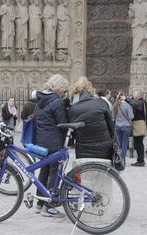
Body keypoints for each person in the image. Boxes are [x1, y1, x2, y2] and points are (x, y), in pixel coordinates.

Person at [34, 74, 68, 218]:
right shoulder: (57, 102)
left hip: (41, 140)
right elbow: (62, 123)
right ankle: (49, 205)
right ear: (59, 88)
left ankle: (39, 203)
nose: (64, 93)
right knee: (55, 172)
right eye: (64, 90)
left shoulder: (39, 99)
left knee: (44, 171)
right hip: (54, 140)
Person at [68, 77, 114, 160]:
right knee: (103, 170)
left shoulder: (72, 108)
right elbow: (111, 126)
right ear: (91, 89)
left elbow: (73, 130)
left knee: (85, 170)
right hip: (104, 146)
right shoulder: (101, 102)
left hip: (83, 147)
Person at [126, 90, 146, 167]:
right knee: (138, 143)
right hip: (138, 123)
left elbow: (137, 106)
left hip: (139, 124)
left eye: (134, 94)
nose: (133, 96)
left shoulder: (140, 102)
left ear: (138, 95)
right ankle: (140, 160)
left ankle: (141, 161)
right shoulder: (140, 102)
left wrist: (127, 99)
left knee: (139, 143)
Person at [113, 91, 134, 162]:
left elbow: (113, 116)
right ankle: (122, 158)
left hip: (117, 126)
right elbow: (131, 116)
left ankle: (118, 157)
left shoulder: (115, 105)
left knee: (119, 143)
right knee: (124, 143)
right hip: (126, 126)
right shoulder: (128, 106)